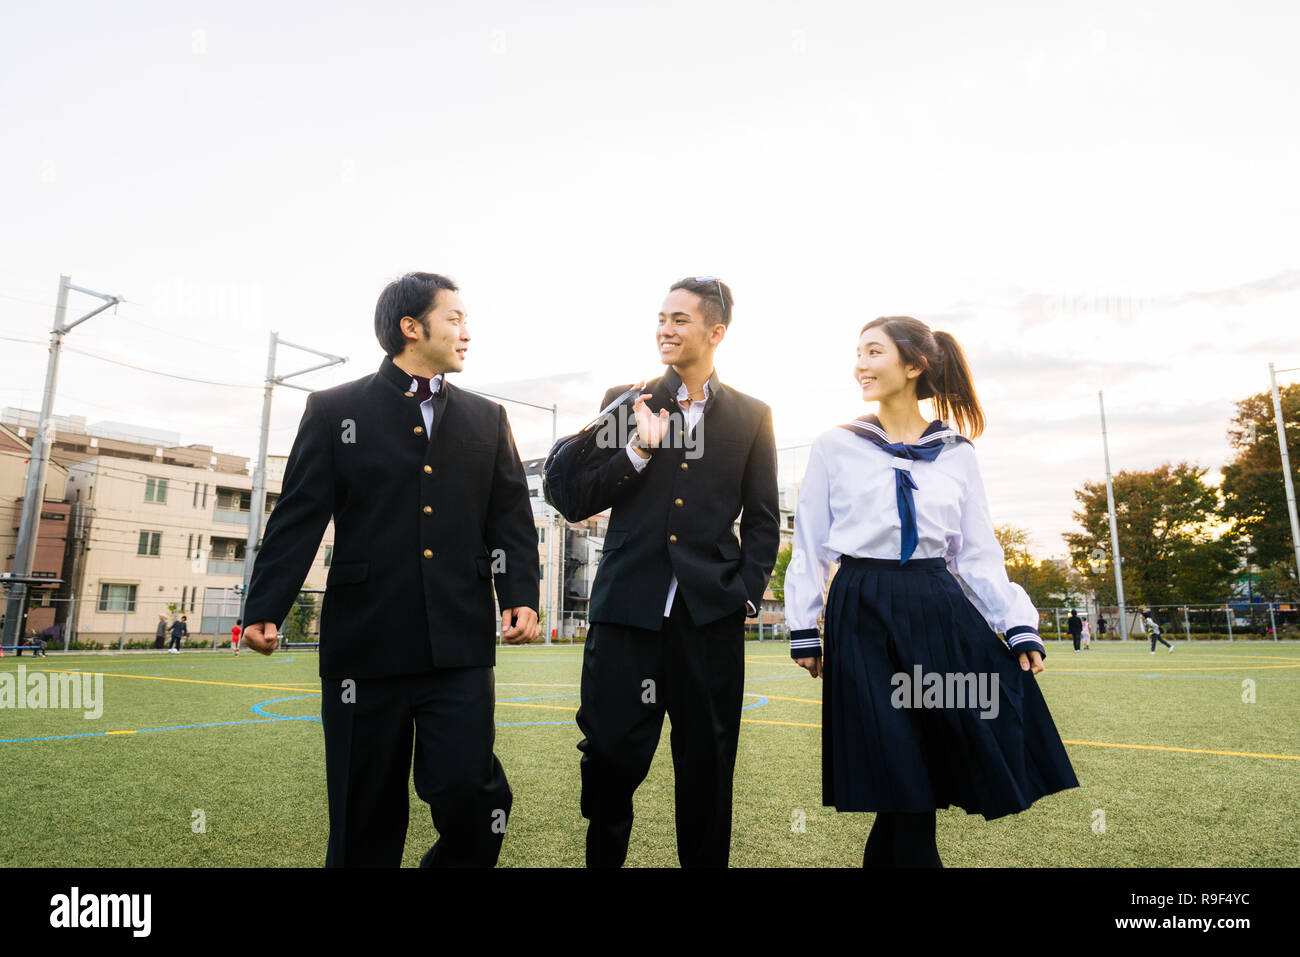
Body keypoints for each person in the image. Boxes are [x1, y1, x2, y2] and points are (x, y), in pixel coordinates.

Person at [241, 272, 539, 868]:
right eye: (454, 318)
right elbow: (299, 516)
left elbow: (508, 516)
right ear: (411, 328)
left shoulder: (487, 418)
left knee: (475, 800)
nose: (466, 333)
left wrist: (521, 594)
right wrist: (264, 608)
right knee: (363, 819)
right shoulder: (334, 410)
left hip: (457, 644)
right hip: (365, 647)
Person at [785, 315, 1079, 867]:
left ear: (914, 366)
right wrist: (805, 626)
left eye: (874, 353)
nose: (860, 365)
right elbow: (811, 544)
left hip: (937, 605)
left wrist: (1014, 624)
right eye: (858, 353)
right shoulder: (834, 446)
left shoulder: (957, 452)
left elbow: (976, 551)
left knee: (917, 773)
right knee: (896, 765)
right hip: (862, 606)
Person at [559, 276, 779, 867]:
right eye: (661, 317)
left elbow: (762, 518)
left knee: (708, 767)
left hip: (709, 620)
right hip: (627, 611)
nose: (665, 328)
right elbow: (576, 496)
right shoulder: (626, 399)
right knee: (608, 759)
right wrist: (636, 453)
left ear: (716, 331)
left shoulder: (753, 417)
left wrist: (747, 593)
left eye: (680, 319)